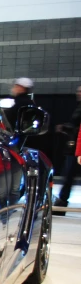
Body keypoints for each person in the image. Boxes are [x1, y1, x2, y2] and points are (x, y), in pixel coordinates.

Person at [54, 85, 81, 213]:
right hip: (74, 146)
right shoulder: (78, 107)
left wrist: (65, 128)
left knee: (69, 174)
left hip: (75, 147)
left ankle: (62, 201)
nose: (78, 93)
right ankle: (62, 201)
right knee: (68, 175)